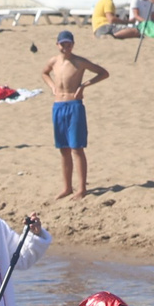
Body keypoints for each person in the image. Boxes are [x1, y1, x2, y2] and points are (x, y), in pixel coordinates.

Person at [40, 28, 110, 201]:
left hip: (74, 105)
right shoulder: (54, 61)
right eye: (62, 44)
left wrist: (84, 85)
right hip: (58, 105)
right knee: (63, 149)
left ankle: (82, 188)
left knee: (76, 148)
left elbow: (103, 73)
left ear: (73, 44)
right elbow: (44, 73)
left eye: (68, 43)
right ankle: (67, 187)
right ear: (57, 45)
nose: (66, 47)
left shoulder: (80, 62)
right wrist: (52, 87)